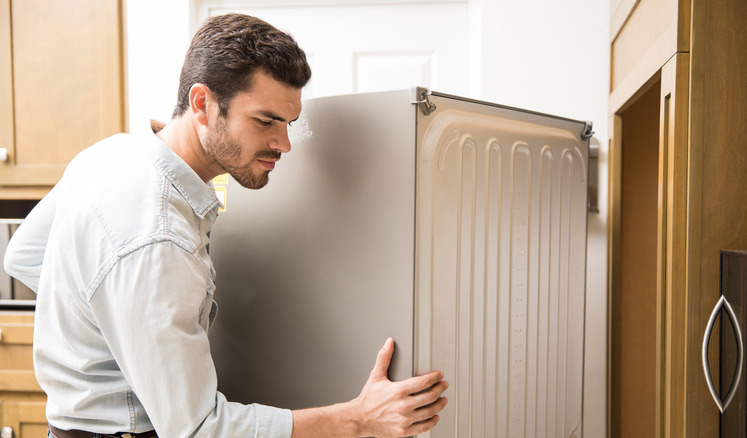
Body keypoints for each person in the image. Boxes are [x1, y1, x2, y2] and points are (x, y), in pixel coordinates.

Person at [3, 13, 448, 438]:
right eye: (264, 121)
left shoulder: (113, 153)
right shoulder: (158, 238)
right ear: (203, 104)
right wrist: (358, 420)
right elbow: (200, 430)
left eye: (289, 122)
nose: (284, 143)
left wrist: (118, 322)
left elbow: (22, 255)